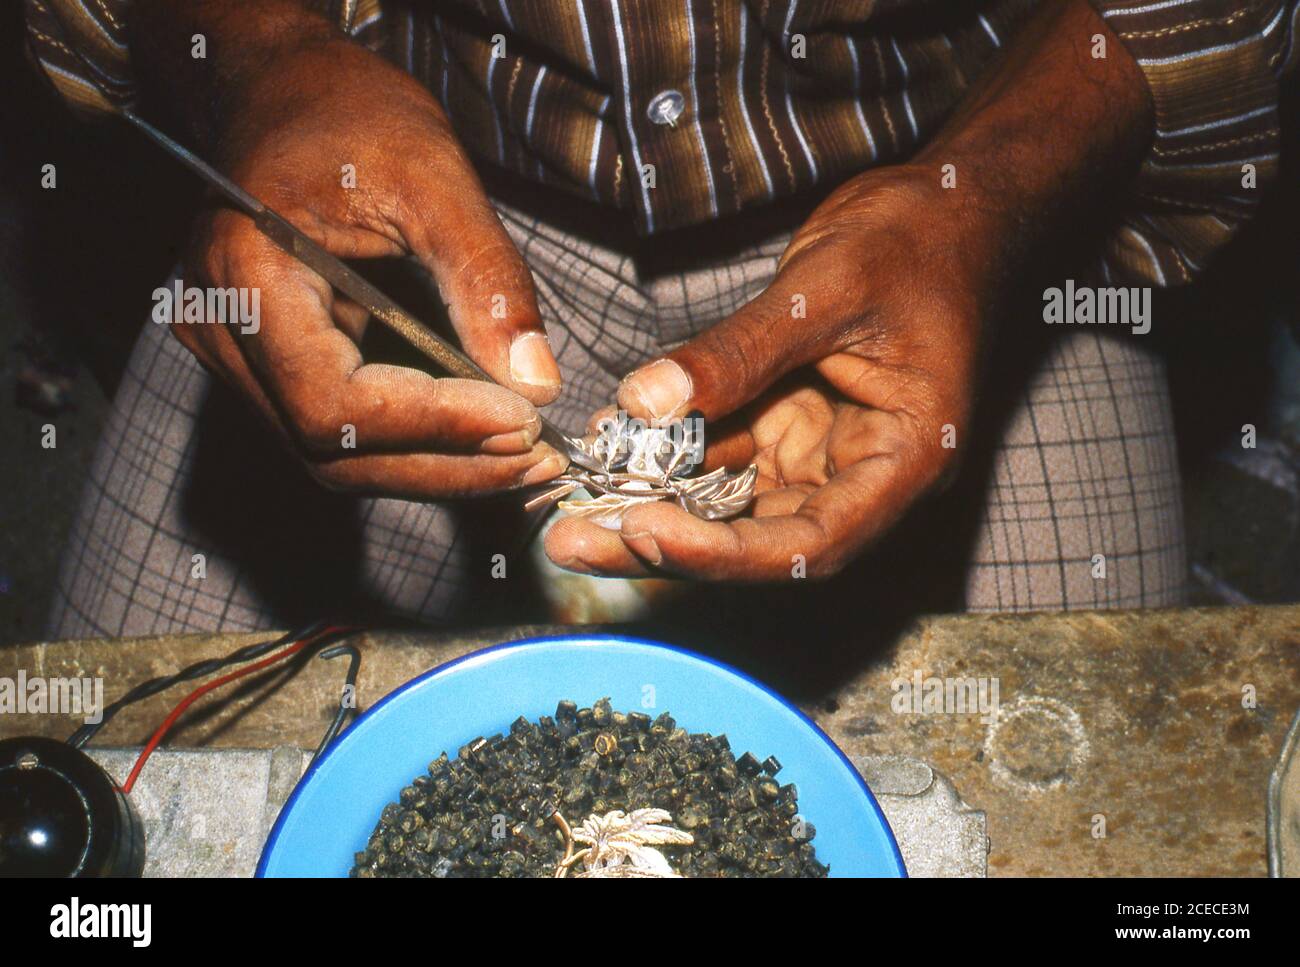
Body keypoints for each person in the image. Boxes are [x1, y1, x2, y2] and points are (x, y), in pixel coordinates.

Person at [26, 0, 1297, 638]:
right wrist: (265, 66)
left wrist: (981, 210)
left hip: (940, 206)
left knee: (1090, 801)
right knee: (126, 808)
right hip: (413, 191)